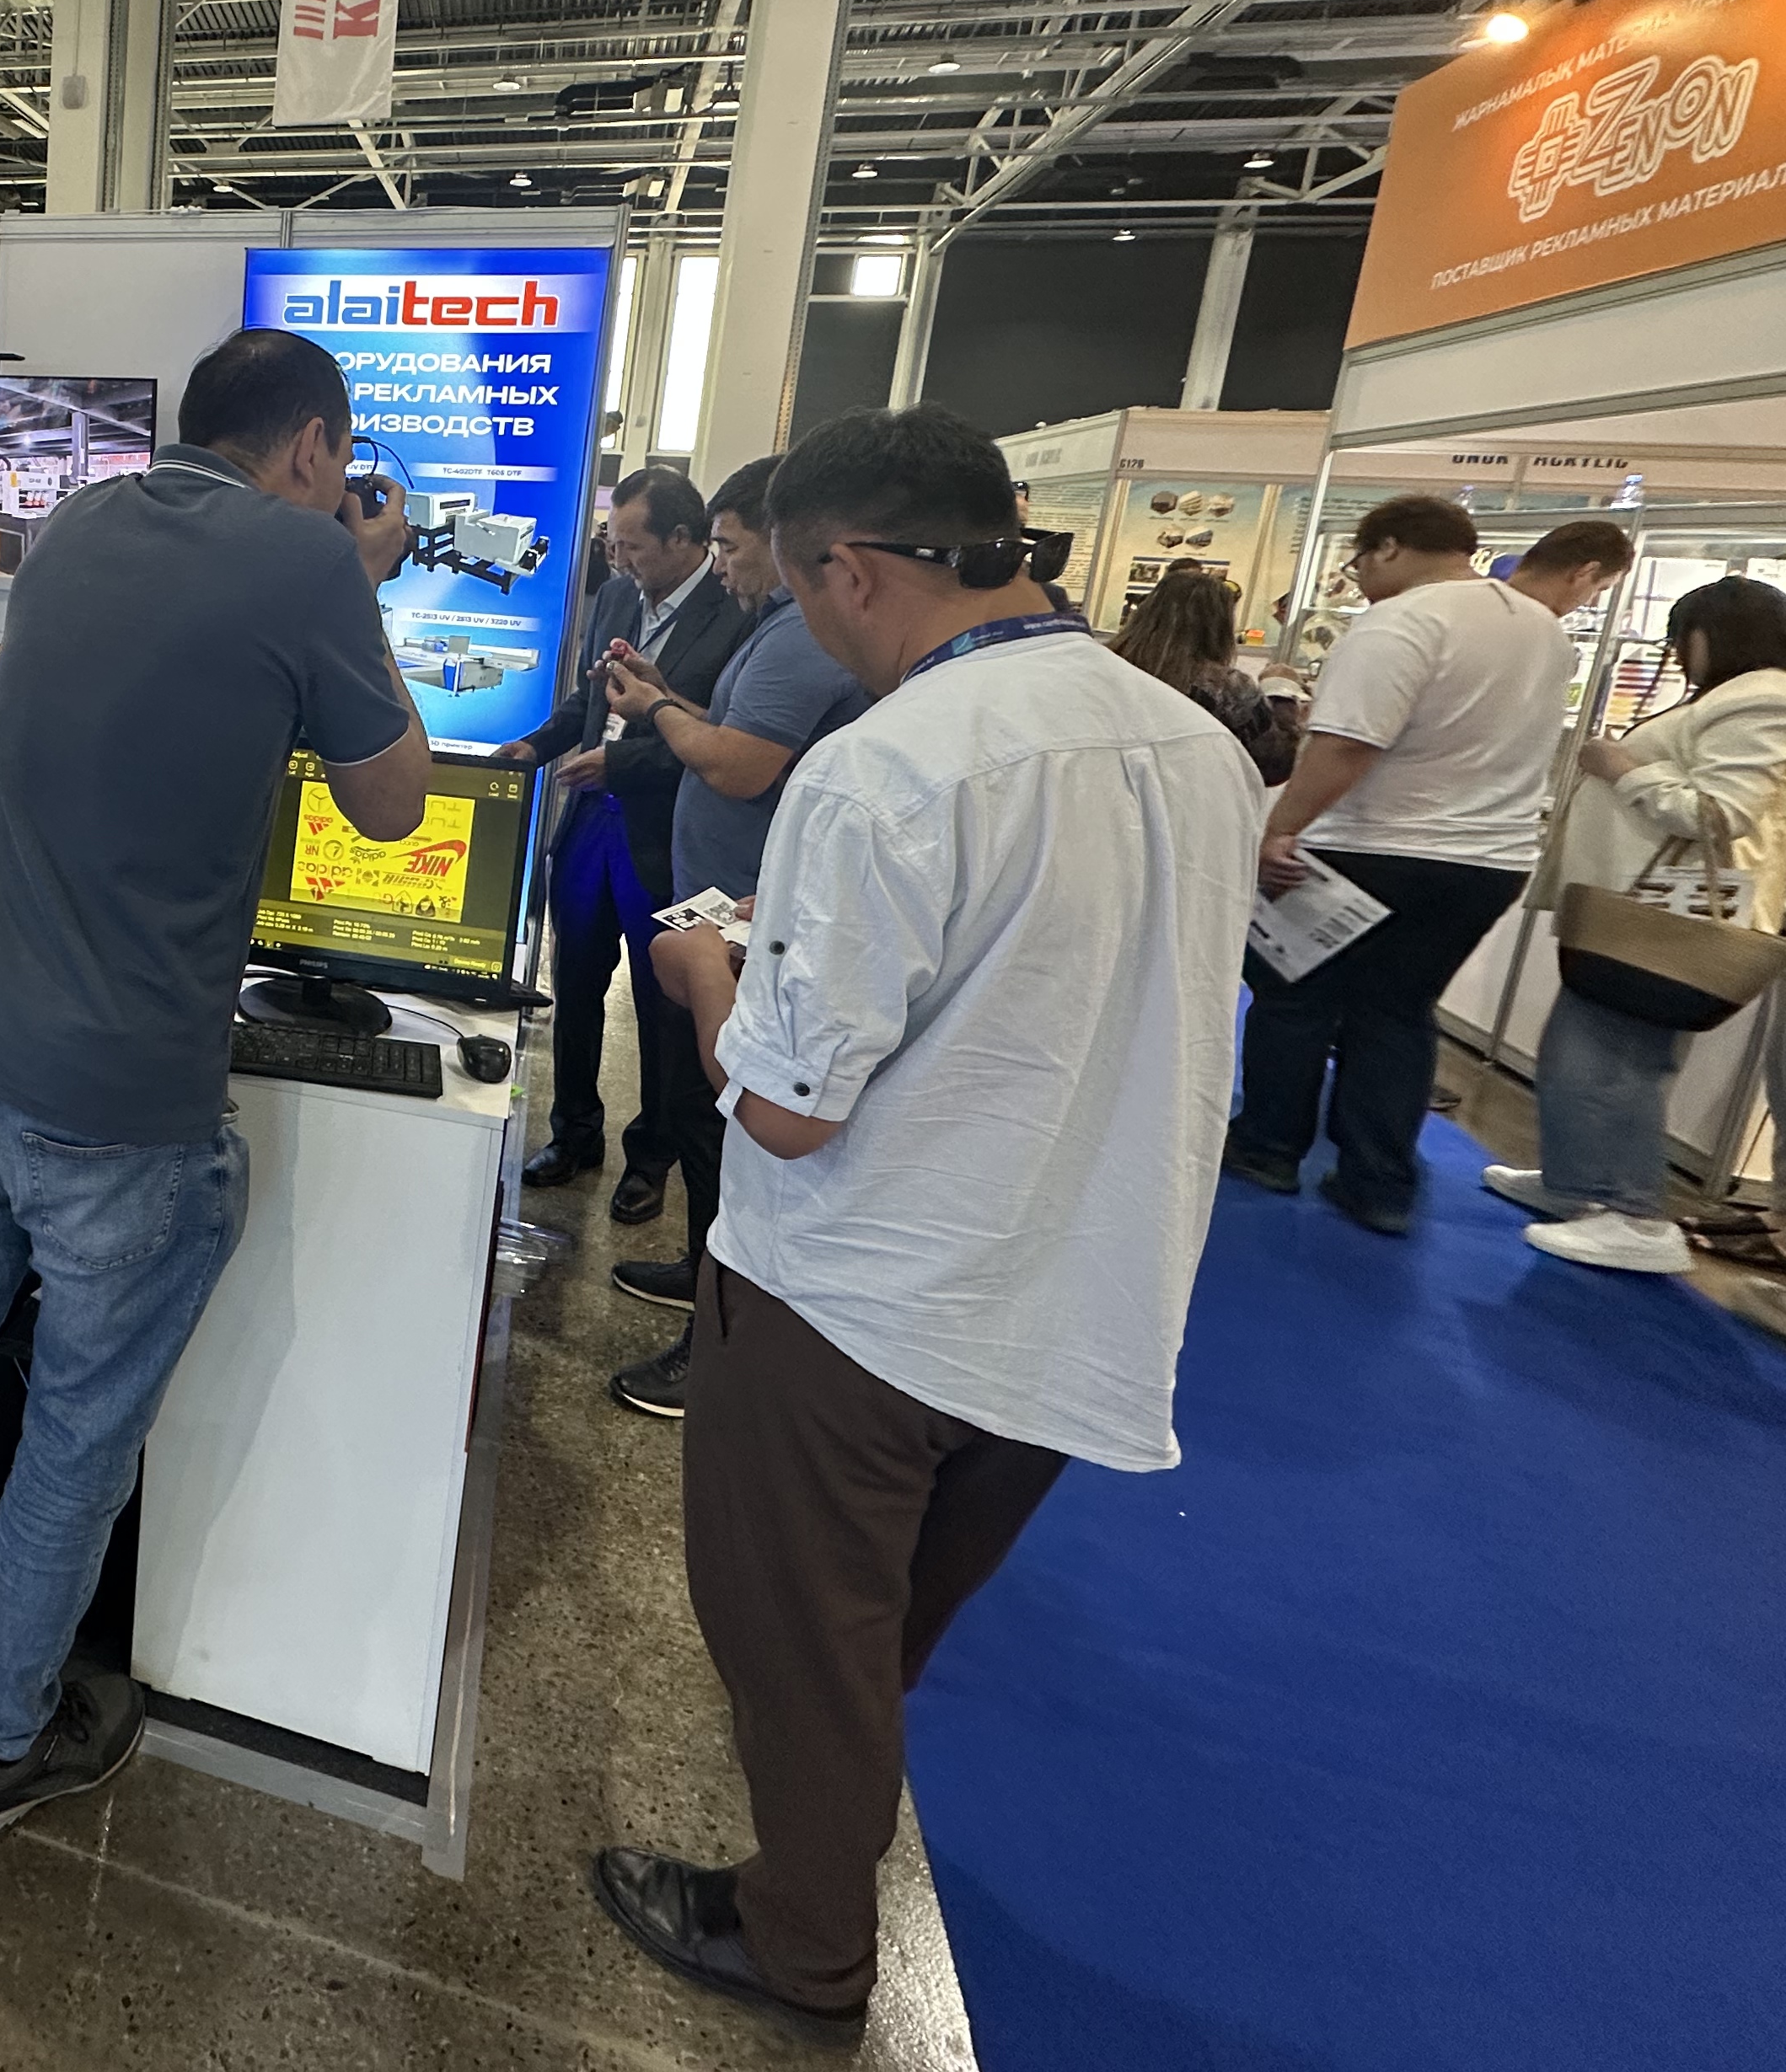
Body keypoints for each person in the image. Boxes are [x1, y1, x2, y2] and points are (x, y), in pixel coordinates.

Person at [591, 405, 1261, 2048]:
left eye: (791, 584)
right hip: (1074, 1294)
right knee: (873, 1636)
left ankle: (805, 1939)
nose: (798, 621)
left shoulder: (888, 762)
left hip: (858, 1301)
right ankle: (818, 1875)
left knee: (797, 1642)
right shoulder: (1194, 743)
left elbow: (786, 1107)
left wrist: (706, 974)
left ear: (851, 567)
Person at [0, 327, 427, 1841]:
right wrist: (362, 579)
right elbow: (394, 805)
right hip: (122, 1106)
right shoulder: (309, 561)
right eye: (336, 466)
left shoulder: (68, 529)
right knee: (69, 1444)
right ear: (313, 449)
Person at [1226, 506, 1628, 1234]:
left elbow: (1349, 744)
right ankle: (1378, 1181)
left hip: (1369, 847)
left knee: (1294, 999)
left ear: (1387, 548)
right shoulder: (1540, 627)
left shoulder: (1400, 622)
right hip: (1487, 860)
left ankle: (1268, 1147)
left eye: (1358, 561)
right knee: (1398, 1012)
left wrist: (1280, 827)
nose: (1358, 578)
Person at [590, 455, 870, 1416]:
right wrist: (669, 697)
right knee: (704, 1122)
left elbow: (741, 765)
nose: (723, 565)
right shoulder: (777, 626)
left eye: (731, 546)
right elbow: (736, 732)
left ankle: (714, 1346)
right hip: (727, 906)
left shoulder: (799, 639)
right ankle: (704, 1278)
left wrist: (656, 709)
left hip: (749, 926)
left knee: (730, 1127)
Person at [1489, 576, 1786, 1272]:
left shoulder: (1770, 697)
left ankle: (1634, 1215)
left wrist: (1622, 769)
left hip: (1670, 914)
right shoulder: (1749, 695)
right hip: (1640, 909)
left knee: (1614, 1060)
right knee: (1590, 1050)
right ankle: (1580, 1184)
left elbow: (1720, 813)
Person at [501, 464, 759, 1223]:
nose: (619, 560)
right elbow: (590, 703)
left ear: (684, 539)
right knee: (576, 985)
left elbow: (720, 743)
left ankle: (651, 1158)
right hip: (590, 824)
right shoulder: (617, 597)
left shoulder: (736, 612)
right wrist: (537, 745)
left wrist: (622, 764)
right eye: (613, 545)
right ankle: (573, 1132)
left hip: (663, 836)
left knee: (661, 1005)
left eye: (633, 546)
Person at [1108, 569, 1298, 784]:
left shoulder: (1107, 665)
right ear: (1221, 626)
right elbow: (1275, 765)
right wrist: (1280, 690)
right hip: (1190, 794)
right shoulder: (1228, 688)